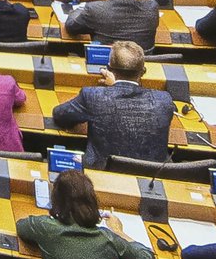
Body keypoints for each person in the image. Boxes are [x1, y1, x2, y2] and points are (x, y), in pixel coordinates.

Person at [17, 170, 156, 259]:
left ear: (56, 200)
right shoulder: (108, 239)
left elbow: (21, 226)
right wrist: (119, 232)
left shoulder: (45, 228)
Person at [52, 40, 174, 168]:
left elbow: (60, 115)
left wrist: (114, 88)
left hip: (102, 173)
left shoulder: (93, 96)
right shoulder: (164, 100)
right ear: (143, 72)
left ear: (109, 68)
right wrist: (116, 87)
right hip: (151, 177)